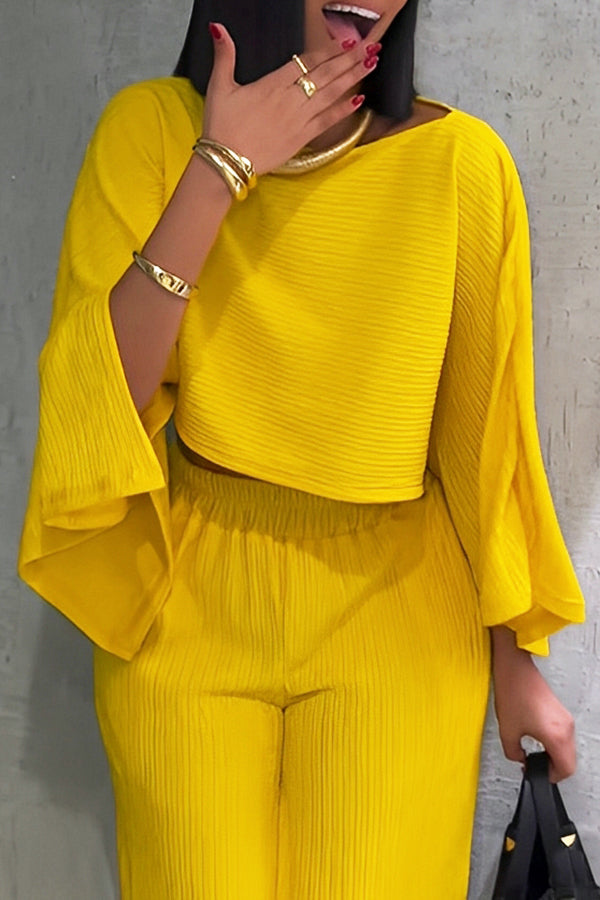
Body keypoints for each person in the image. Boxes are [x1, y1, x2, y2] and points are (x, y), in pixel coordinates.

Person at [17, 0, 586, 896]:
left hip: (398, 610)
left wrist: (518, 664)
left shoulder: (459, 163)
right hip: (187, 598)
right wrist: (221, 165)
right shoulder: (151, 130)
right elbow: (103, 400)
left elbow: (485, 444)